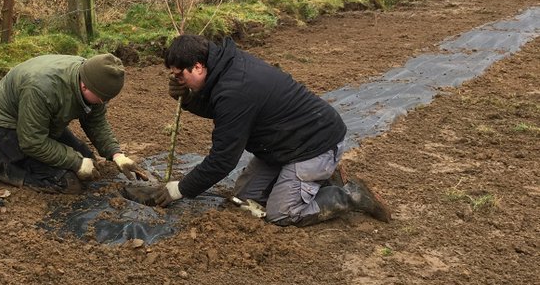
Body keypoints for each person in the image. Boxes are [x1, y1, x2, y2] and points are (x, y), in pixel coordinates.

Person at [123, 33, 390, 225]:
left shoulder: (235, 89)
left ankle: (349, 195)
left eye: (180, 75)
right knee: (246, 198)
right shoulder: (226, 65)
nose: (177, 80)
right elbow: (227, 110)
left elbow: (222, 160)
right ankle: (315, 181)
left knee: (281, 213)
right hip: (283, 144)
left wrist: (177, 190)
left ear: (198, 66)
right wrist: (191, 99)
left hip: (314, 145)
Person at [0, 52, 141, 192]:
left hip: (42, 122)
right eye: (102, 99)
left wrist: (116, 154)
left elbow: (96, 121)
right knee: (68, 183)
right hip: (8, 124)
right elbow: (32, 142)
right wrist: (75, 162)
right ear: (85, 86)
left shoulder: (92, 76)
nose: (103, 103)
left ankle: (8, 151)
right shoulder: (42, 88)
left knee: (90, 162)